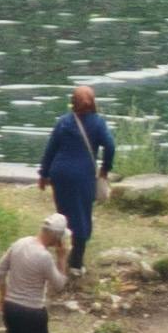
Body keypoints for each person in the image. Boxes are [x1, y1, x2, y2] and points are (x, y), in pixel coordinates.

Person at [40, 83, 109, 268]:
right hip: (82, 176)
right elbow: (110, 146)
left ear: (73, 103)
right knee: (82, 215)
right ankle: (76, 262)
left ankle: (62, 256)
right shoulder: (98, 123)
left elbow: (51, 149)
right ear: (93, 103)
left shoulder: (63, 122)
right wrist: (105, 169)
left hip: (60, 174)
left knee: (63, 214)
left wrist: (43, 174)